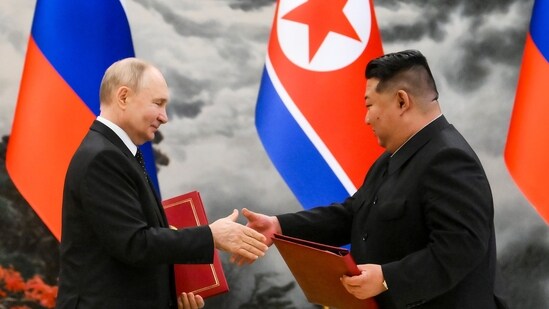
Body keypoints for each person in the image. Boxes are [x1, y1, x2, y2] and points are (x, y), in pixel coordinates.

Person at [242, 50, 508, 308]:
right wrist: (279, 226)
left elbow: (460, 249)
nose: (366, 119)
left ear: (402, 101)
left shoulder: (449, 158)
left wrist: (386, 279)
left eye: (369, 106)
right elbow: (354, 214)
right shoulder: (393, 157)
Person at [56, 57, 268, 309]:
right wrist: (212, 235)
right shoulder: (104, 157)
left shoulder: (116, 153)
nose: (164, 117)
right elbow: (135, 244)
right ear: (123, 97)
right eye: (158, 104)